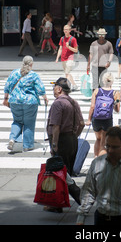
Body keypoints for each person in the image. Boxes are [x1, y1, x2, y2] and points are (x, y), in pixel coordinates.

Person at [46, 77, 84, 212]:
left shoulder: (58, 104)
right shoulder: (74, 103)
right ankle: (57, 204)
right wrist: (74, 135)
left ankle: (82, 200)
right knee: (64, 172)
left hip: (61, 141)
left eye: (54, 87)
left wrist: (54, 145)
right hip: (71, 140)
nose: (53, 90)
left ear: (59, 89)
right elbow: (82, 124)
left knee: (61, 173)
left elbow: (55, 126)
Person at [3, 56, 47, 152]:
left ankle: (12, 138)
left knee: (17, 121)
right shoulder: (33, 75)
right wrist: (45, 98)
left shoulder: (14, 73)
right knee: (29, 123)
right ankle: (27, 145)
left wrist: (6, 98)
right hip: (30, 102)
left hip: (14, 101)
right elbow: (40, 89)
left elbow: (7, 86)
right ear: (31, 64)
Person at [85, 73, 120, 157]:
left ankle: (95, 157)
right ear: (112, 81)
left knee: (98, 139)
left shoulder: (97, 91)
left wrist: (89, 119)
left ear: (103, 81)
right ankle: (102, 161)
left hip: (96, 119)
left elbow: (92, 106)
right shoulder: (115, 93)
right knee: (104, 141)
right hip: (107, 119)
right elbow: (117, 110)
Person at [55, 25, 79, 91]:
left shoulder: (73, 39)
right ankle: (74, 85)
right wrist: (57, 58)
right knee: (67, 73)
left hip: (70, 58)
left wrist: (68, 47)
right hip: (63, 58)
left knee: (67, 73)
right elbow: (60, 49)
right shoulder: (62, 39)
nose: (65, 31)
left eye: (67, 29)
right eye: (64, 29)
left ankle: (67, 87)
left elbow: (76, 50)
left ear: (70, 30)